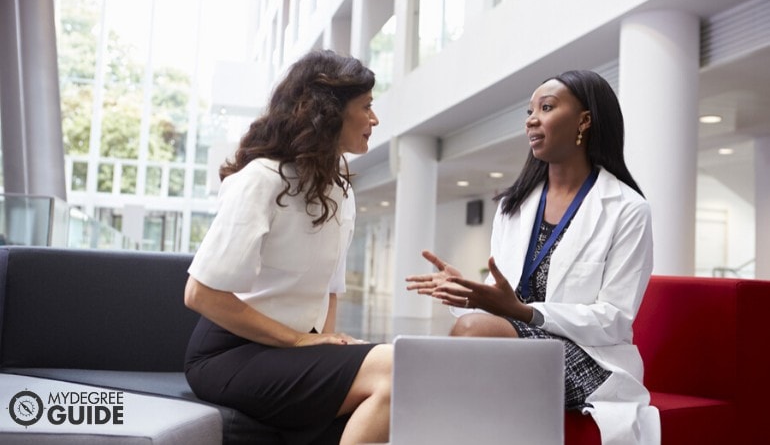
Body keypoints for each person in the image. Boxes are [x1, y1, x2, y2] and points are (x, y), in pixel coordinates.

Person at [406, 70, 660, 445]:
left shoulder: (627, 209)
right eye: (529, 111)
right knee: (466, 338)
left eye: (546, 107)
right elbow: (505, 293)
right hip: (514, 337)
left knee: (471, 337)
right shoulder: (514, 205)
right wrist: (470, 293)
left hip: (588, 355)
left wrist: (526, 313)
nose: (531, 119)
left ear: (584, 121)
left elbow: (614, 320)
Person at [184, 49, 391, 445]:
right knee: (395, 368)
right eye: (366, 106)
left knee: (398, 372)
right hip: (229, 354)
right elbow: (200, 294)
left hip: (289, 352)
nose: (374, 119)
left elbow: (330, 287)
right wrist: (299, 341)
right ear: (329, 112)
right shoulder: (261, 179)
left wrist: (328, 348)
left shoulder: (341, 191)